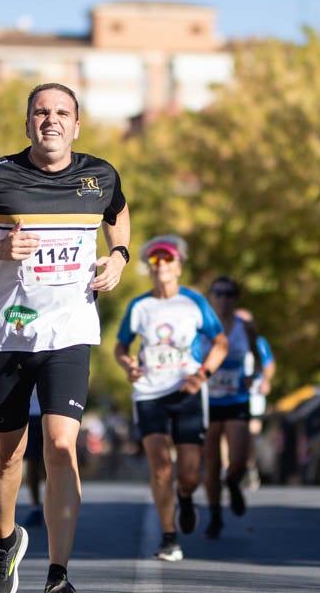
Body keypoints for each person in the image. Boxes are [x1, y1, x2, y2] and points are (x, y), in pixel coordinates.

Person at [0, 82, 130, 593]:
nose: (51, 120)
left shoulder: (100, 175)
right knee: (7, 454)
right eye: (41, 112)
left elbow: (118, 213)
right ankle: (5, 542)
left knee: (61, 447)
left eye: (62, 112)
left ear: (77, 125)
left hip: (69, 331)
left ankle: (58, 576)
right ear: (28, 123)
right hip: (7, 333)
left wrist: (118, 256)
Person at [114, 235, 229, 560]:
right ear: (150, 267)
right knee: (161, 464)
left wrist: (202, 375)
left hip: (186, 390)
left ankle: (187, 495)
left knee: (190, 472)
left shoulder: (193, 303)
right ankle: (169, 537)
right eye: (155, 260)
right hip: (149, 391)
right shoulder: (139, 306)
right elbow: (121, 346)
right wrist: (128, 365)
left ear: (178, 266)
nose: (161, 265)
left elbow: (220, 343)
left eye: (167, 260)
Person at [200, 278, 260, 538]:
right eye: (218, 294)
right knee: (211, 464)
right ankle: (215, 516)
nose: (223, 299)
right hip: (208, 401)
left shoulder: (245, 328)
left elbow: (258, 358)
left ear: (235, 298)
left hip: (236, 399)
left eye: (229, 294)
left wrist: (253, 376)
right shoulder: (201, 328)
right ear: (211, 297)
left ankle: (234, 482)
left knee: (237, 461)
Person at [238, 308, 275, 490]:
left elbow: (268, 363)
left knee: (251, 431)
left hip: (253, 393)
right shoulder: (226, 339)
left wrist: (265, 381)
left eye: (246, 322)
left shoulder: (259, 342)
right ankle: (226, 468)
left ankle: (249, 466)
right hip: (230, 392)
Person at [23, 389, 46, 528]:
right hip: (27, 412)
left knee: (50, 463)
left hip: (50, 410)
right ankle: (36, 508)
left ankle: (54, 506)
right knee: (31, 463)